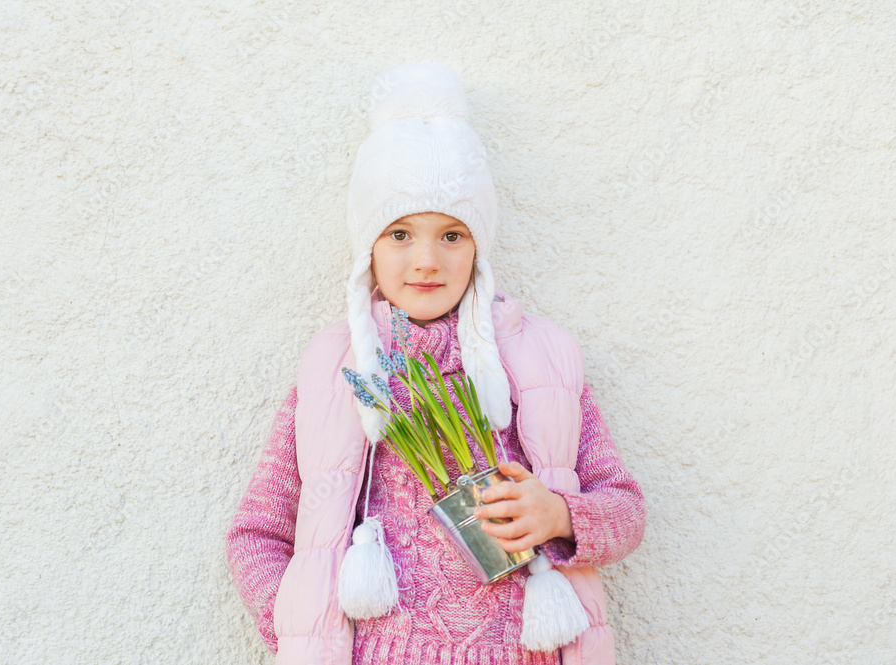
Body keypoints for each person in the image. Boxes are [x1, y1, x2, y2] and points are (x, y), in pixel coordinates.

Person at [226, 61, 646, 665]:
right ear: (367, 245)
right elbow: (257, 533)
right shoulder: (337, 369)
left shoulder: (540, 359)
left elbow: (625, 507)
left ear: (480, 244)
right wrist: (299, 622)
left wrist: (559, 515)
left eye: (452, 235)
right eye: (400, 234)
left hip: (522, 650)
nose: (426, 260)